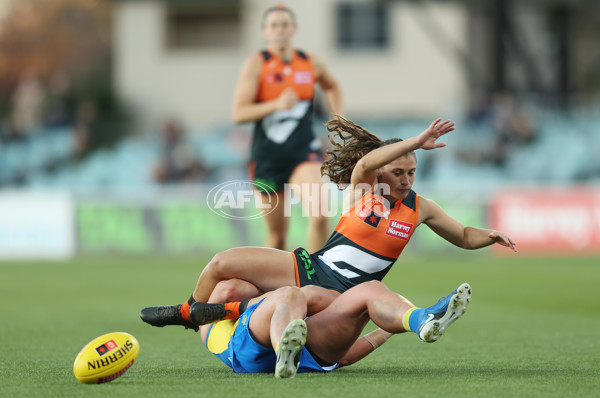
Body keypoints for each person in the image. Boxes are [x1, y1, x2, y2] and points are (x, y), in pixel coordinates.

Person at [140, 116, 516, 331]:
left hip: (342, 294)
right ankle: (189, 313)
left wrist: (490, 236)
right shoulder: (363, 188)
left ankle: (422, 322)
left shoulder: (422, 209)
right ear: (384, 169)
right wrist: (416, 141)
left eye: (412, 172)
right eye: (399, 171)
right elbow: (366, 164)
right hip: (311, 267)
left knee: (277, 302)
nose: (406, 179)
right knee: (222, 263)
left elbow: (464, 236)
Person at [232, 3, 343, 251]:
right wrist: (276, 104)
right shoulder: (256, 64)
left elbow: (332, 86)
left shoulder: (310, 63)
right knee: (278, 236)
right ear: (265, 31)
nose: (279, 29)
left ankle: (318, 279)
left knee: (320, 213)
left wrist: (337, 120)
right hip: (267, 157)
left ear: (294, 29)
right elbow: (239, 113)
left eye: (284, 24)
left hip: (303, 152)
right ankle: (277, 286)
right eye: (273, 25)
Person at [195, 281, 471, 378]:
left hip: (305, 352)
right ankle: (284, 351)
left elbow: (345, 357)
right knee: (294, 295)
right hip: (242, 345)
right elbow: (227, 290)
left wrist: (388, 330)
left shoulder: (300, 305)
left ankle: (420, 320)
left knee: (370, 291)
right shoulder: (232, 297)